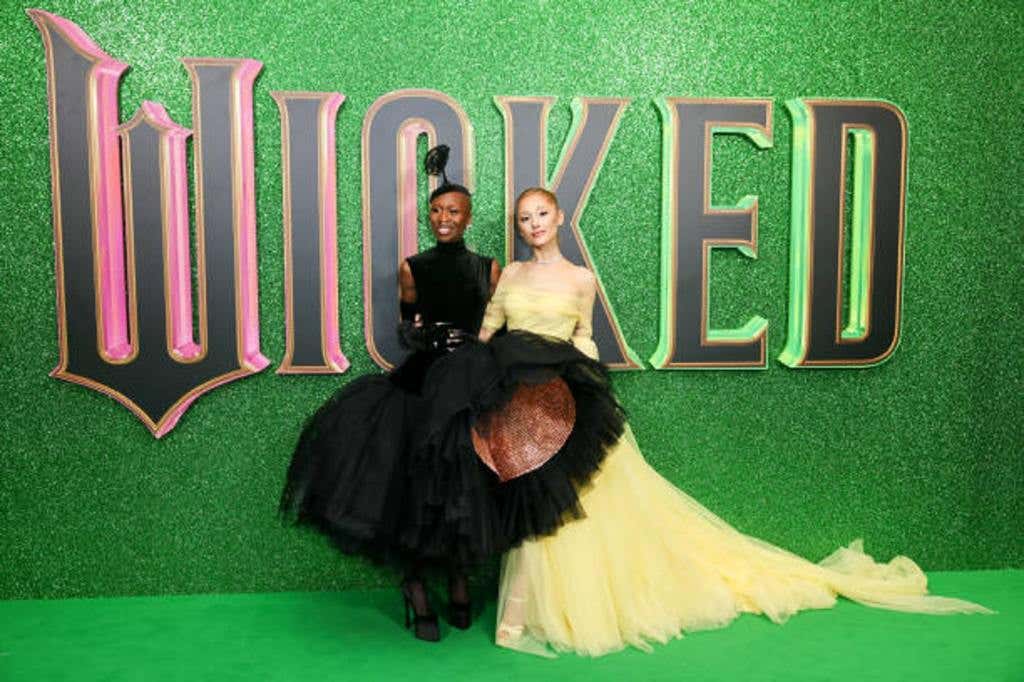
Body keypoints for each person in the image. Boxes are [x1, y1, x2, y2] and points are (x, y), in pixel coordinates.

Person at [480, 187, 991, 658]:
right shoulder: (513, 278)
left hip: (566, 403)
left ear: (560, 217)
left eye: (542, 213)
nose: (534, 224)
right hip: (517, 402)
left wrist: (581, 388)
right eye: (525, 219)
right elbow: (489, 332)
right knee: (529, 493)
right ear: (520, 228)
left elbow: (585, 336)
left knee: (564, 499)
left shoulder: (581, 279)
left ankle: (527, 612)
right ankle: (522, 610)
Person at [279, 145, 500, 642]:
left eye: (454, 212)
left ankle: (459, 579)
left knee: (463, 488)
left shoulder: (489, 269)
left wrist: (479, 349)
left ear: (468, 218)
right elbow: (407, 328)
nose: (444, 219)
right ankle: (416, 587)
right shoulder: (411, 267)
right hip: (419, 384)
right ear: (429, 216)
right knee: (411, 489)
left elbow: (495, 328)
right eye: (437, 211)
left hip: (467, 385)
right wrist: (419, 337)